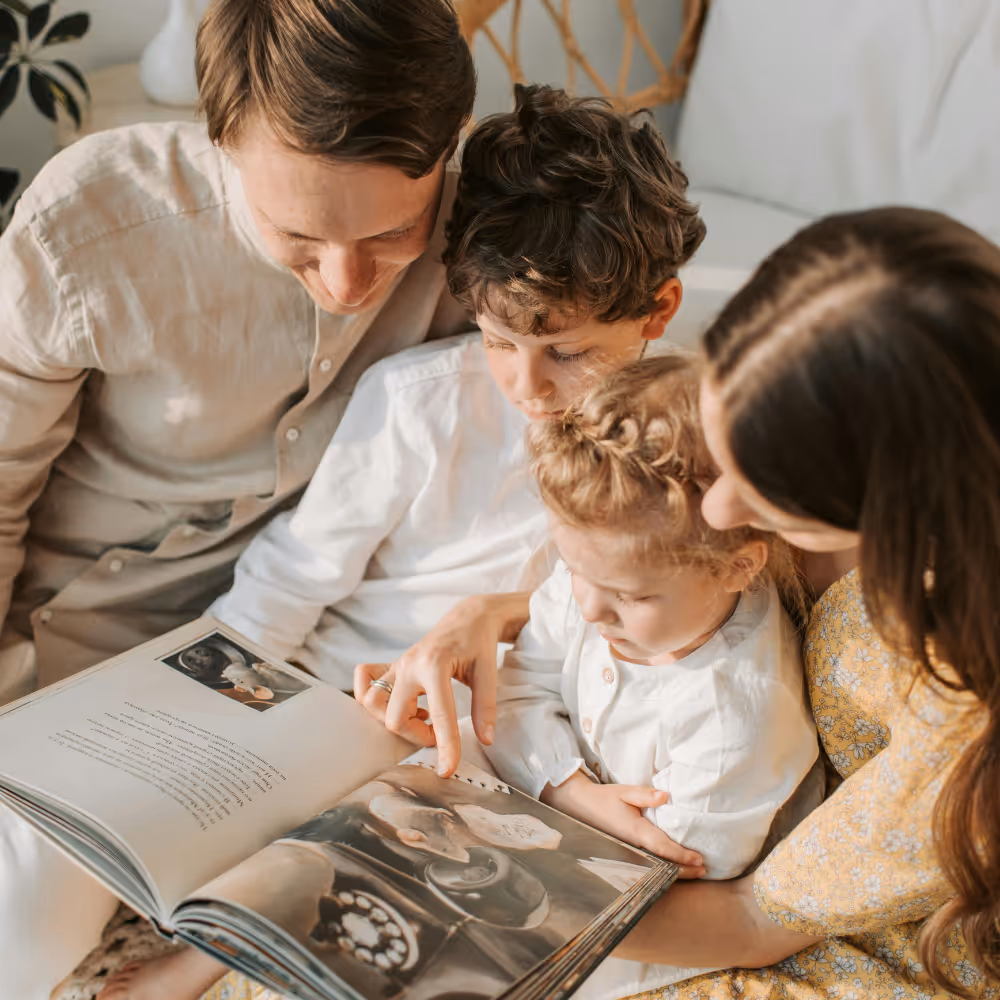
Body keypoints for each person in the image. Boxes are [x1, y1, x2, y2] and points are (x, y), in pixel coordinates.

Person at [117, 82, 704, 1000]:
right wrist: (192, 714)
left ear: (659, 309)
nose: (530, 385)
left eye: (571, 354)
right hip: (349, 691)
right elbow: (289, 580)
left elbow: (656, 598)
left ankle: (250, 939)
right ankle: (221, 937)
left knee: (477, 835)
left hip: (503, 727)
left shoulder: (680, 433)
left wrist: (501, 623)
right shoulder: (417, 403)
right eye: (500, 340)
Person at [370, 207, 1000, 998]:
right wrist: (491, 613)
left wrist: (469, 903)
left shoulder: (957, 704)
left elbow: (753, 920)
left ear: (895, 499)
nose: (720, 507)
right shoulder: (778, 419)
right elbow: (650, 576)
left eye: (766, 484)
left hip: (812, 912)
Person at [2, 1, 476, 995]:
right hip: (70, 663)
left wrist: (494, 611)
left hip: (287, 666)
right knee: (19, 935)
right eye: (297, 237)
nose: (348, 282)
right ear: (224, 146)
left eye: (392, 234)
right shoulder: (88, 224)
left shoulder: (485, 234)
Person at [485, 354, 818, 997]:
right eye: (573, 570)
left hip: (661, 924)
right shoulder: (602, 571)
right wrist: (568, 790)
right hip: (566, 816)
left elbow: (670, 869)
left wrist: (546, 785)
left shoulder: (733, 715)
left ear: (735, 569)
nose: (587, 606)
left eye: (629, 597)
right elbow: (516, 690)